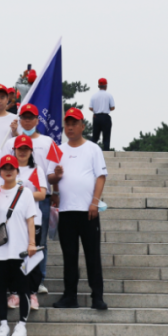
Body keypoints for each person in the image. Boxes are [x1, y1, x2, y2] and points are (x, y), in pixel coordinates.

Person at [48, 107, 108, 310]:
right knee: (69, 255)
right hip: (65, 211)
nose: (71, 127)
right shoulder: (57, 149)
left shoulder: (93, 149)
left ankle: (97, 296)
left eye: (75, 123)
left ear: (83, 126)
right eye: (68, 123)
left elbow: (101, 176)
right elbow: (50, 177)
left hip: (88, 211)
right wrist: (55, 179)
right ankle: (69, 296)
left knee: (93, 254)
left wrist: (95, 202)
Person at [0, 154, 38, 336]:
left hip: (20, 249)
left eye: (11, 168)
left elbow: (31, 220)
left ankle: (22, 325)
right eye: (4, 168)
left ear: (17, 171)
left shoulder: (26, 193)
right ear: (0, 171)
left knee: (23, 288)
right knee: (0, 289)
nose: (8, 171)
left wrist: (32, 243)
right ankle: (3, 325)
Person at [17, 103, 54, 292]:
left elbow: (53, 172)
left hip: (41, 198)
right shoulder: (11, 143)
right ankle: (18, 282)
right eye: (24, 117)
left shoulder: (48, 141)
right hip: (15, 204)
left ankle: (39, 279)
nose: (27, 120)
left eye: (31, 117)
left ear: (37, 120)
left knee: (40, 242)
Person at [13, 135, 49, 311]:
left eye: (25, 149)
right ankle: (15, 292)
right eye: (19, 149)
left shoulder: (36, 170)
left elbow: (42, 194)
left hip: (33, 220)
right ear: (14, 150)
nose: (22, 152)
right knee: (13, 256)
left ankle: (32, 293)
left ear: (30, 152)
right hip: (13, 220)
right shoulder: (9, 169)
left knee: (31, 255)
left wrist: (21, 194)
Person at [89, 78, 115, 151]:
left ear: (99, 86)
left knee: (95, 137)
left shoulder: (94, 96)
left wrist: (96, 111)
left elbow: (90, 108)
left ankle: (90, 150)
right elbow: (113, 107)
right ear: (106, 86)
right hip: (105, 117)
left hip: (96, 117)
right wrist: (106, 109)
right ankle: (106, 152)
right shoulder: (109, 95)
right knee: (106, 137)